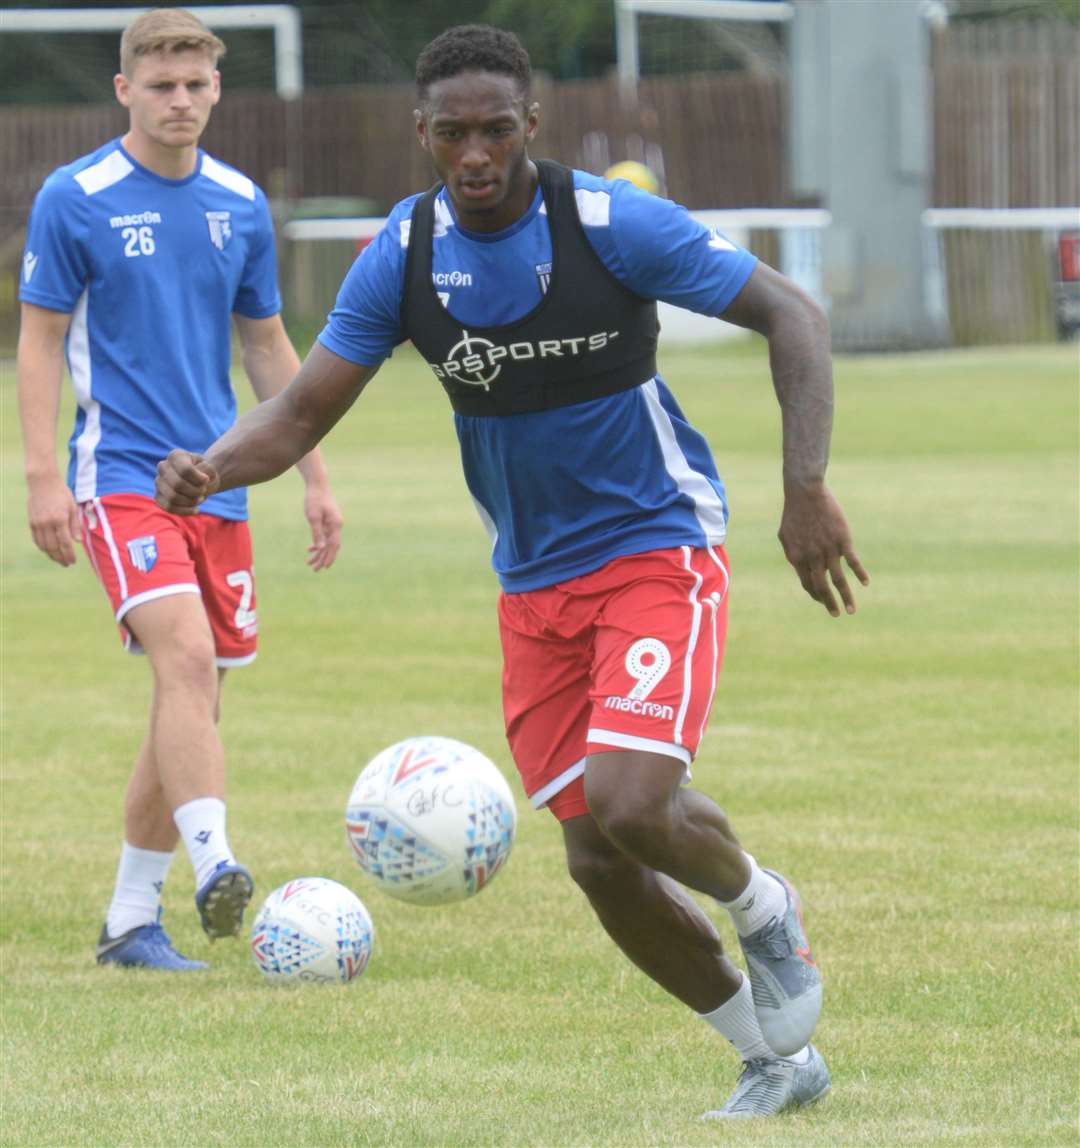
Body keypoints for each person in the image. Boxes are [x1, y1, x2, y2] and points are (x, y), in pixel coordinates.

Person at [155, 24, 868, 1116]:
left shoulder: (607, 224)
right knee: (596, 858)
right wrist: (212, 464)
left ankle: (767, 907)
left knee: (634, 800)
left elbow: (791, 312)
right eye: (454, 134)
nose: (476, 154)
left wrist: (805, 484)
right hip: (532, 585)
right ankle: (772, 1056)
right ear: (424, 135)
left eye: (497, 130)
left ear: (531, 124)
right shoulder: (404, 253)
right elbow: (301, 409)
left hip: (653, 547)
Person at [16, 8, 343, 971]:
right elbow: (36, 341)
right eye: (161, 85)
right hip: (119, 479)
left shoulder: (239, 203)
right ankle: (217, 864)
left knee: (191, 695)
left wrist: (313, 474)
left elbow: (267, 346)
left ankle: (128, 921)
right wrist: (42, 479)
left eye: (196, 85)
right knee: (187, 661)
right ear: (126, 90)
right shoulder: (74, 196)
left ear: (215, 90)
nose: (181, 101)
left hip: (221, 488)